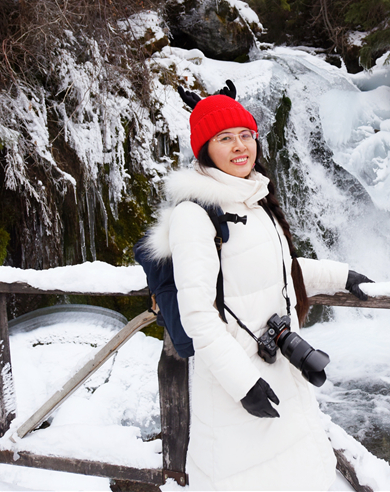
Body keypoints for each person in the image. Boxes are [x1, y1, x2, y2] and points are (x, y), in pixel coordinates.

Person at [142, 83, 373, 490]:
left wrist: (341, 276)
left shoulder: (254, 199)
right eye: (224, 138)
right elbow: (198, 316)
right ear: (204, 149)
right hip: (236, 388)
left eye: (245, 135)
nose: (239, 147)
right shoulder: (195, 215)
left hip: (280, 373)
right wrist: (242, 384)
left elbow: (280, 270)